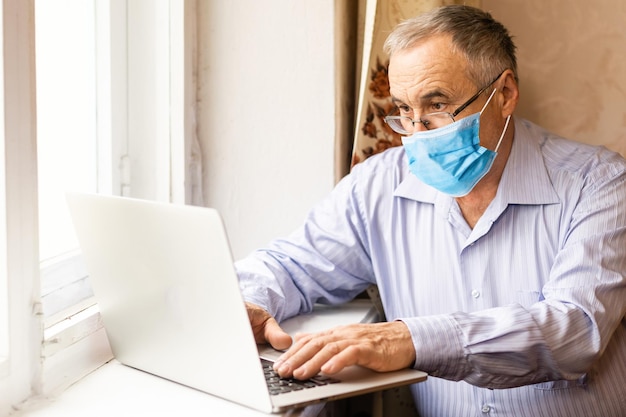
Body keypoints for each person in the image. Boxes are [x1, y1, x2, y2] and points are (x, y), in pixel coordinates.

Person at [236, 5, 626, 416]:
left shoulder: (599, 183)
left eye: (436, 105)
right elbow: (291, 264)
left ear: (505, 94)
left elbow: (574, 330)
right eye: (404, 110)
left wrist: (409, 340)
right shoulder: (378, 185)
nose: (417, 134)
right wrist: (251, 303)